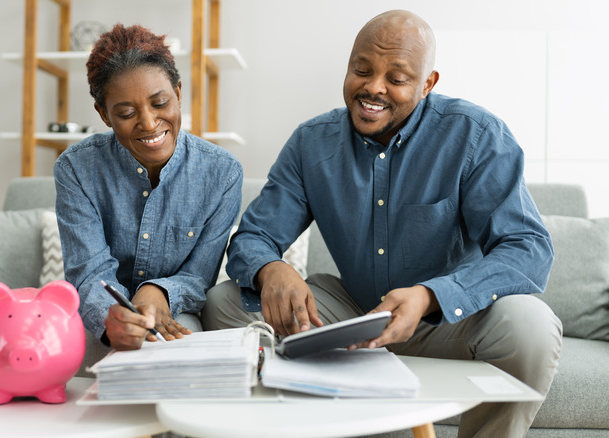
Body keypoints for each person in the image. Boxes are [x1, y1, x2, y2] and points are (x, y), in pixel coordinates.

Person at [202, 9, 562, 437]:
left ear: (427, 85)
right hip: (351, 311)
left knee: (532, 327)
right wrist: (270, 269)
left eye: (397, 77)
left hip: (445, 318)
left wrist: (431, 295)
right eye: (362, 69)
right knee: (223, 303)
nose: (373, 87)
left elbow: (528, 248)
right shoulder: (310, 143)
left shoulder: (476, 135)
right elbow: (255, 236)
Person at [55, 24, 243, 352]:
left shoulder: (222, 174)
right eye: (126, 113)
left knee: (168, 349)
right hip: (101, 311)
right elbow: (88, 273)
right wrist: (109, 315)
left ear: (179, 93)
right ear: (104, 114)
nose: (148, 122)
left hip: (175, 311)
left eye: (160, 103)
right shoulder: (76, 168)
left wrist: (157, 292)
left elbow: (199, 277)